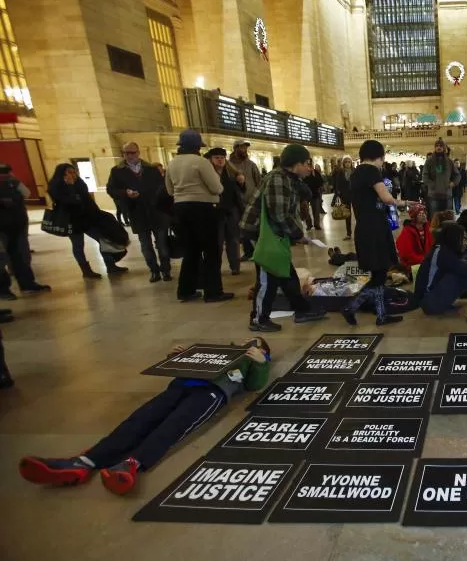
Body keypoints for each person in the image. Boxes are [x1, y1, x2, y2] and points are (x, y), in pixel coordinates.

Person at [18, 338, 272, 495]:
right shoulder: (224, 351)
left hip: (210, 394)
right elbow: (190, 364)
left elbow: (254, 385)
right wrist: (178, 358)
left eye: (257, 343)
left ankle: (131, 463)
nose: (250, 345)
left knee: (173, 426)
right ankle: (85, 461)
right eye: (249, 341)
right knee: (139, 420)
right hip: (179, 387)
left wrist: (261, 362)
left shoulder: (250, 362)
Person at [240, 144, 327, 331]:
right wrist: (298, 234)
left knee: (286, 273)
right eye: (306, 163)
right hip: (262, 234)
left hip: (272, 233)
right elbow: (278, 214)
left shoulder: (288, 178)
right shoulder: (277, 179)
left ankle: (301, 308)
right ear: (295, 164)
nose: (309, 168)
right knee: (268, 277)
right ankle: (258, 319)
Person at [342, 140, 409, 326]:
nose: (382, 163)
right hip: (375, 228)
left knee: (378, 274)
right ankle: (351, 307)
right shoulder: (371, 171)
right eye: (382, 158)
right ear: (378, 156)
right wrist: (405, 203)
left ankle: (381, 315)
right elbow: (386, 198)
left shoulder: (355, 172)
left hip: (364, 227)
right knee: (379, 274)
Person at [165, 130, 230, 302]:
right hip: (203, 209)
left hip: (180, 209)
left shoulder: (172, 163)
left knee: (191, 251)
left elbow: (170, 189)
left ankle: (186, 291)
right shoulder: (200, 162)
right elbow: (217, 188)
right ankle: (213, 292)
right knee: (211, 251)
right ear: (196, 147)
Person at [48, 163, 128, 279]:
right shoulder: (56, 186)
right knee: (78, 245)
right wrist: (69, 186)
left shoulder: (79, 183)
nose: (73, 174)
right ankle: (86, 270)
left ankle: (110, 265)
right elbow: (70, 200)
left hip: (87, 218)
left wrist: (97, 213)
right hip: (72, 221)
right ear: (62, 174)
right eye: (69, 172)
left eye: (73, 172)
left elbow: (86, 199)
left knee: (103, 239)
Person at [107, 143, 170, 282]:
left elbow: (162, 187)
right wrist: (125, 193)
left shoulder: (151, 169)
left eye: (132, 152)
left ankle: (166, 270)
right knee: (145, 245)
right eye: (126, 153)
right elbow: (111, 189)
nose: (130, 156)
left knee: (162, 244)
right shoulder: (117, 171)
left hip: (156, 211)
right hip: (137, 212)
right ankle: (154, 270)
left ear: (138, 152)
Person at [0, 166, 49, 297]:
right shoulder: (11, 183)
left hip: (17, 225)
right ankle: (4, 290)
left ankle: (27, 284)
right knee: (2, 259)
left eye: (7, 173)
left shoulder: (13, 183)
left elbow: (27, 193)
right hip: (2, 229)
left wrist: (15, 181)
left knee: (21, 257)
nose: (5, 176)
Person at [415, 222, 467, 315]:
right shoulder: (443, 254)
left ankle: (444, 303)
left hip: (428, 300)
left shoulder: (443, 249)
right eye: (463, 239)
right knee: (461, 275)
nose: (465, 242)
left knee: (464, 270)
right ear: (454, 238)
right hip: (428, 303)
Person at [204, 148, 245, 276]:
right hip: (215, 211)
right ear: (210, 159)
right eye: (217, 158)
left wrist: (242, 183)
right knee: (218, 241)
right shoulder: (207, 174)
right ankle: (216, 267)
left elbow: (240, 192)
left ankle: (235, 267)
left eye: (222, 157)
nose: (220, 160)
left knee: (233, 240)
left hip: (231, 210)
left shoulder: (231, 174)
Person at [227, 139, 262, 261]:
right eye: (241, 147)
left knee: (253, 226)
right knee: (241, 228)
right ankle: (248, 251)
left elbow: (259, 181)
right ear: (235, 149)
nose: (244, 150)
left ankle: (258, 250)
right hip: (236, 202)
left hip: (251, 201)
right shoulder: (228, 165)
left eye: (245, 148)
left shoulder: (251, 164)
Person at [422, 139, 458, 214]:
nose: (439, 147)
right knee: (435, 218)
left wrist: (453, 183)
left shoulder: (449, 161)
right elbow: (425, 176)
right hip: (434, 195)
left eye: (441, 146)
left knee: (447, 218)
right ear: (435, 148)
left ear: (444, 148)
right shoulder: (429, 161)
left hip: (447, 195)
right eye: (437, 146)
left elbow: (457, 175)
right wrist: (432, 185)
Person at [396, 203, 433, 268]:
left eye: (424, 213)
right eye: (420, 214)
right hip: (413, 265)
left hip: (427, 261)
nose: (423, 215)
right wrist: (425, 260)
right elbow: (407, 254)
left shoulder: (429, 228)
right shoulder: (407, 232)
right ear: (414, 217)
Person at [333, 155, 354, 241]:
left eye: (349, 162)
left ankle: (360, 232)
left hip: (355, 195)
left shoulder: (355, 171)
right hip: (345, 196)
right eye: (346, 162)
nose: (347, 163)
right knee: (347, 215)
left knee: (358, 213)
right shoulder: (340, 172)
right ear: (343, 163)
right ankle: (348, 234)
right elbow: (338, 184)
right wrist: (338, 193)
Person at [304, 164, 326, 230]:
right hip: (305, 195)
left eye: (310, 166)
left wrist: (314, 176)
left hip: (315, 194)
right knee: (305, 211)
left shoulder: (315, 173)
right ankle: (309, 224)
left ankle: (317, 224)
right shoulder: (303, 173)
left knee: (316, 210)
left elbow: (320, 183)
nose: (309, 168)